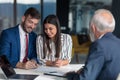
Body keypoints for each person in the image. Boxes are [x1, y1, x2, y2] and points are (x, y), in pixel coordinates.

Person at [66, 9, 120, 80]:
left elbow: (85, 78)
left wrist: (70, 75)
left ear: (93, 28)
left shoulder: (99, 45)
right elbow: (109, 68)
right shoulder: (118, 42)